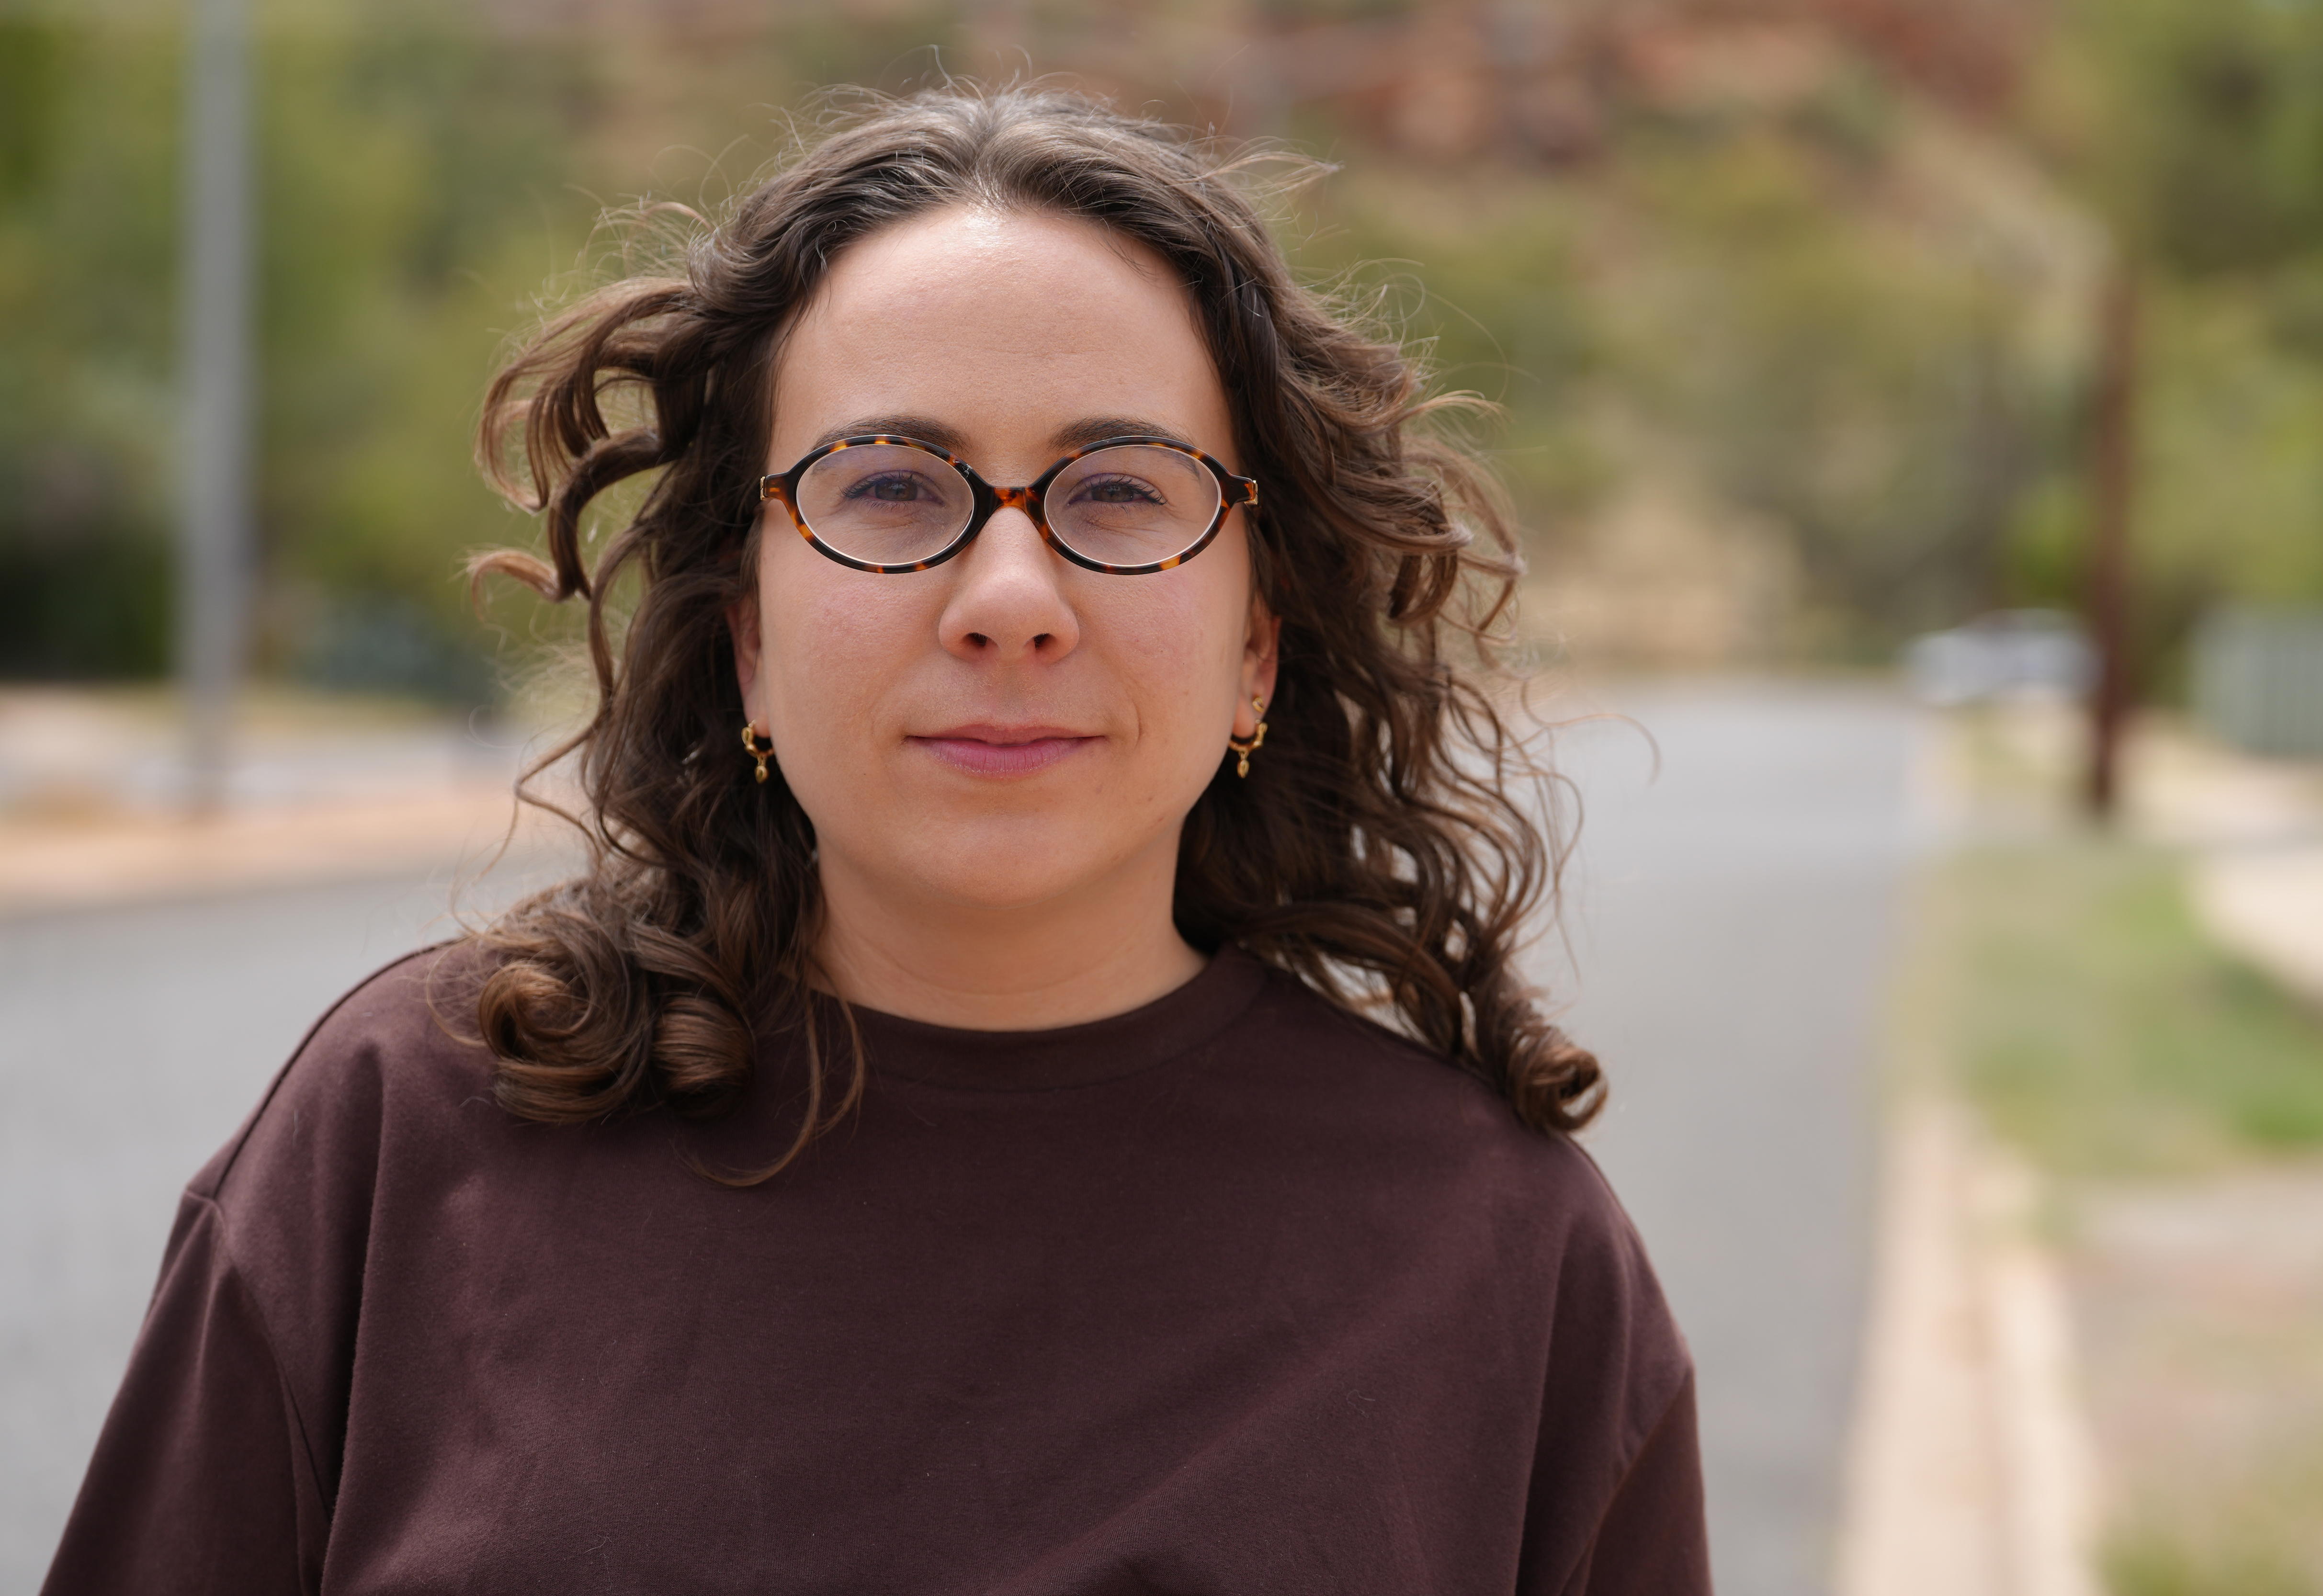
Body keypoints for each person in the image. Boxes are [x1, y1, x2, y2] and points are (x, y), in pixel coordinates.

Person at [44, 86, 1708, 1595]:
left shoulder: (1503, 1263)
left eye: (1120, 491)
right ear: (750, 638)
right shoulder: (409, 1134)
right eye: (894, 487)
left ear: (1257, 648)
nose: (1010, 599)